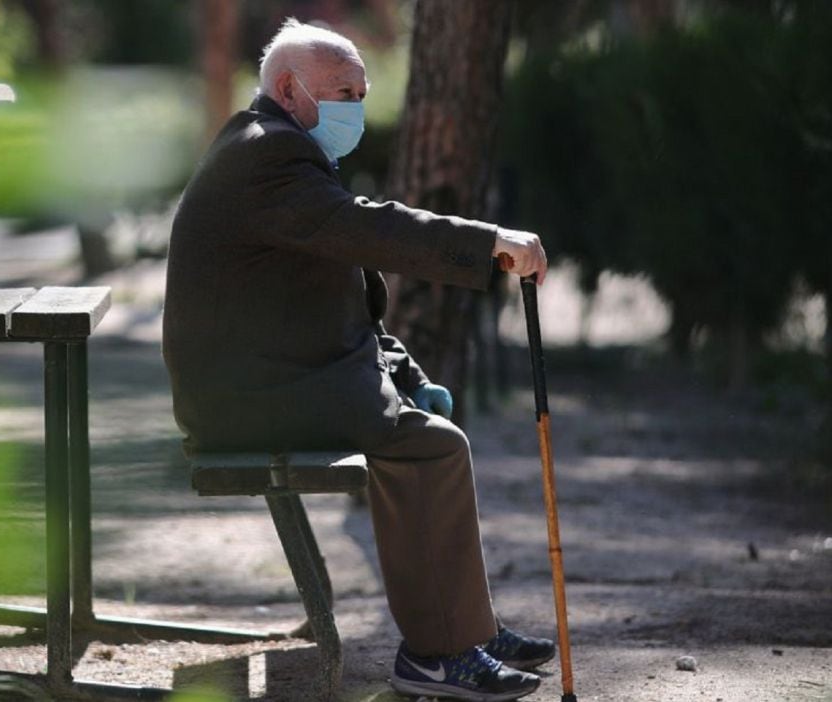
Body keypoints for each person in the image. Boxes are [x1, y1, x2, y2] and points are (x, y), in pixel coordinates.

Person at [162, 18, 553, 702]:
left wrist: (409, 376)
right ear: (289, 89)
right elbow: (370, 229)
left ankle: (465, 632)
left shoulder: (272, 147)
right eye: (343, 91)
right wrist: (488, 239)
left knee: (428, 438)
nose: (356, 108)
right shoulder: (268, 157)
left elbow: (341, 306)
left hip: (266, 380)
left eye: (361, 92)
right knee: (431, 448)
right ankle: (438, 655)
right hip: (244, 399)